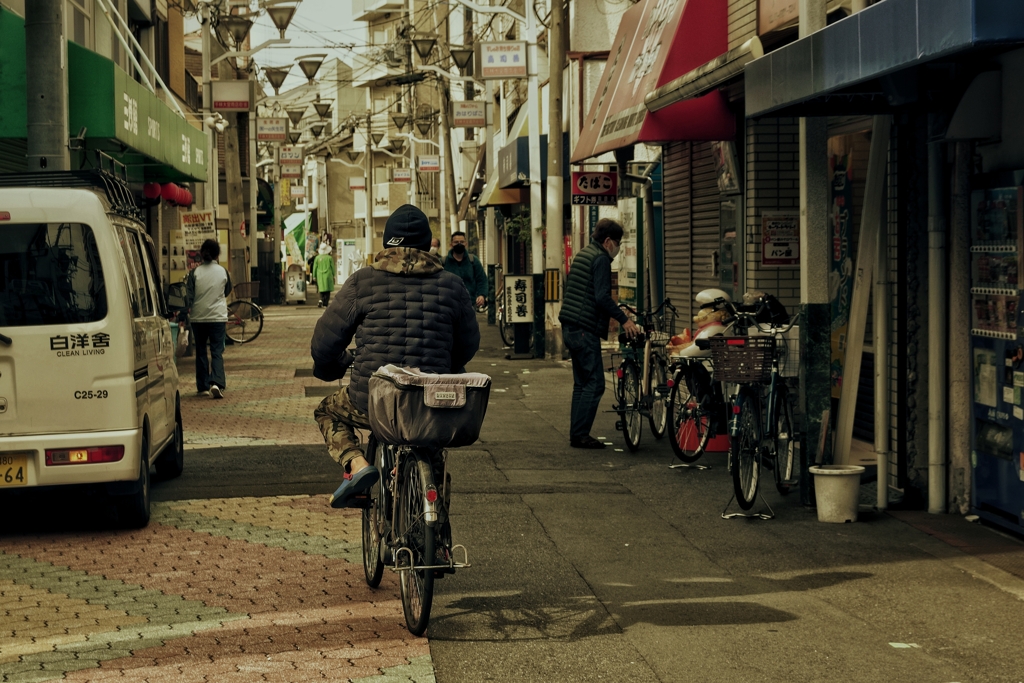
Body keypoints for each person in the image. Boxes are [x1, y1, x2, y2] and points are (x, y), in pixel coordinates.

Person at [311, 204, 481, 507]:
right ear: (429, 244)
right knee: (430, 446)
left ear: (387, 244)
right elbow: (468, 346)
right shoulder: (452, 285)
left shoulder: (362, 281)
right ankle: (435, 520)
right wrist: (445, 367)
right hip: (431, 400)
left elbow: (324, 343)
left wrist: (331, 367)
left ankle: (357, 465)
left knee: (326, 409)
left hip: (372, 403)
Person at [558, 219, 639, 449]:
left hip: (570, 326)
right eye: (617, 242)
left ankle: (577, 433)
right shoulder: (601, 258)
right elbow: (602, 297)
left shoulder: (584, 253)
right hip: (584, 328)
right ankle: (581, 435)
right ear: (607, 241)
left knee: (581, 383)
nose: (618, 247)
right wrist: (624, 320)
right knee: (595, 383)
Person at [187, 238, 233, 399]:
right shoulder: (223, 271)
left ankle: (202, 386)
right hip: (218, 317)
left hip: (198, 318)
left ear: (202, 254)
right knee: (216, 351)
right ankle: (217, 383)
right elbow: (227, 290)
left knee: (200, 351)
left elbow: (189, 296)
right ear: (217, 254)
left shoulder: (195, 273)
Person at [442, 231, 488, 308]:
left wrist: (482, 295)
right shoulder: (443, 262)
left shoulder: (473, 260)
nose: (459, 244)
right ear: (451, 244)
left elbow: (482, 280)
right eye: (456, 242)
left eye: (462, 242)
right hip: (448, 305)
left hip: (470, 304)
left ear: (466, 244)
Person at [313, 242, 336, 308]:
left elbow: (315, 267)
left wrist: (314, 276)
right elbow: (332, 267)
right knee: (327, 290)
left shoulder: (317, 258)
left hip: (319, 275)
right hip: (328, 275)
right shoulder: (329, 258)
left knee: (321, 289)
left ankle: (321, 300)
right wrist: (334, 275)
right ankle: (325, 303)